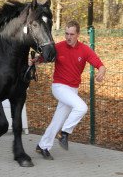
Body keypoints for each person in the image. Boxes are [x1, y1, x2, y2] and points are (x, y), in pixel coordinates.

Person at [32, 20, 106, 160]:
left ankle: (42, 146)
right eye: (66, 33)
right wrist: (35, 60)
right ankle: (64, 133)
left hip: (72, 90)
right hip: (59, 87)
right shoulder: (58, 47)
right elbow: (43, 57)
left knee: (58, 120)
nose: (68, 37)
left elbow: (99, 64)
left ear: (78, 34)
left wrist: (101, 71)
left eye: (72, 34)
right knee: (82, 107)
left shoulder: (84, 50)